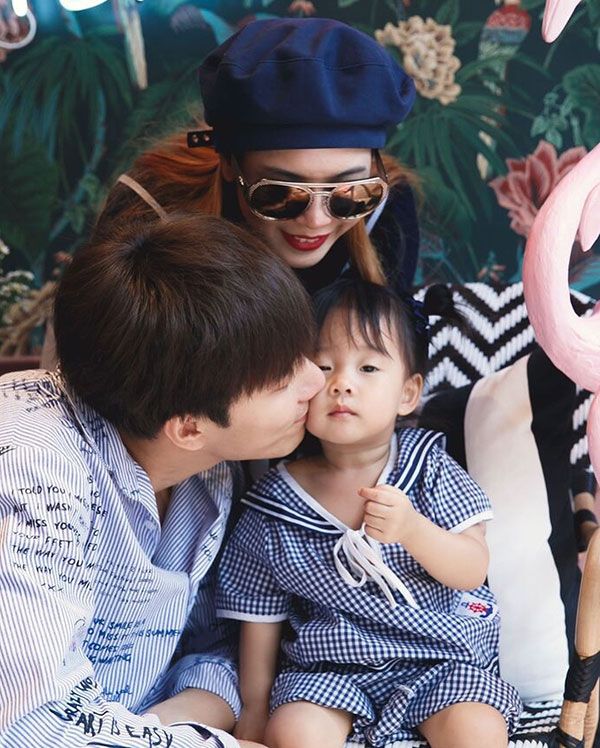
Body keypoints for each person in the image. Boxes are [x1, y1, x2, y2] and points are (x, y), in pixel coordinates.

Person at [0, 214, 324, 748]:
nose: (316, 380)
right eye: (283, 378)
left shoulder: (206, 466)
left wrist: (174, 721)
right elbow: (31, 724)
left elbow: (213, 648)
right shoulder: (32, 474)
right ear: (188, 427)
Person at [215, 278, 522, 748]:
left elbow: (472, 569)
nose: (341, 383)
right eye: (324, 366)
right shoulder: (275, 504)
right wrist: (255, 710)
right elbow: (260, 618)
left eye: (368, 368)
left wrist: (413, 529)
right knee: (292, 731)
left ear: (408, 393)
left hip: (439, 661)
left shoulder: (428, 467)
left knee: (478, 730)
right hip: (329, 671)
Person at [98, 17, 421, 297]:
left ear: (374, 168)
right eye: (281, 194)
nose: (316, 221)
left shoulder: (388, 212)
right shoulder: (150, 214)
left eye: (347, 194)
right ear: (228, 161)